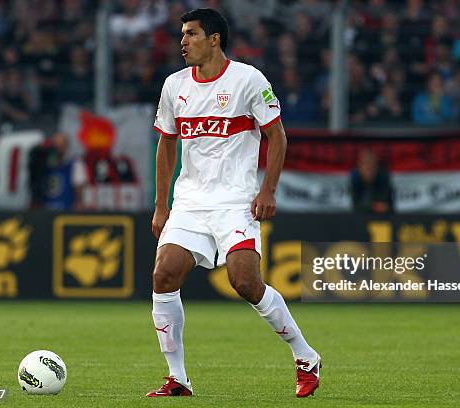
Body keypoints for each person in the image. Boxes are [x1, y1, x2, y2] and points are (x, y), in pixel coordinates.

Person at [148, 8, 321, 398]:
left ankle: (305, 355)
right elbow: (166, 145)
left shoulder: (248, 80)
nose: (183, 41)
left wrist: (268, 190)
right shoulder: (175, 86)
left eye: (191, 34)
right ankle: (177, 378)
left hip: (235, 203)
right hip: (190, 202)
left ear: (214, 39)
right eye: (182, 34)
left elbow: (277, 137)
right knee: (164, 275)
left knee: (244, 281)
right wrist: (162, 204)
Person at [350, 149, 394, 214]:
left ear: (377, 167)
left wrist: (381, 207)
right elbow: (355, 206)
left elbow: (388, 206)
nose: (369, 170)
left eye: (372, 166)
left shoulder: (383, 177)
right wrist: (373, 207)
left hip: (381, 218)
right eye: (366, 166)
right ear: (360, 167)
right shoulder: (355, 179)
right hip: (359, 218)